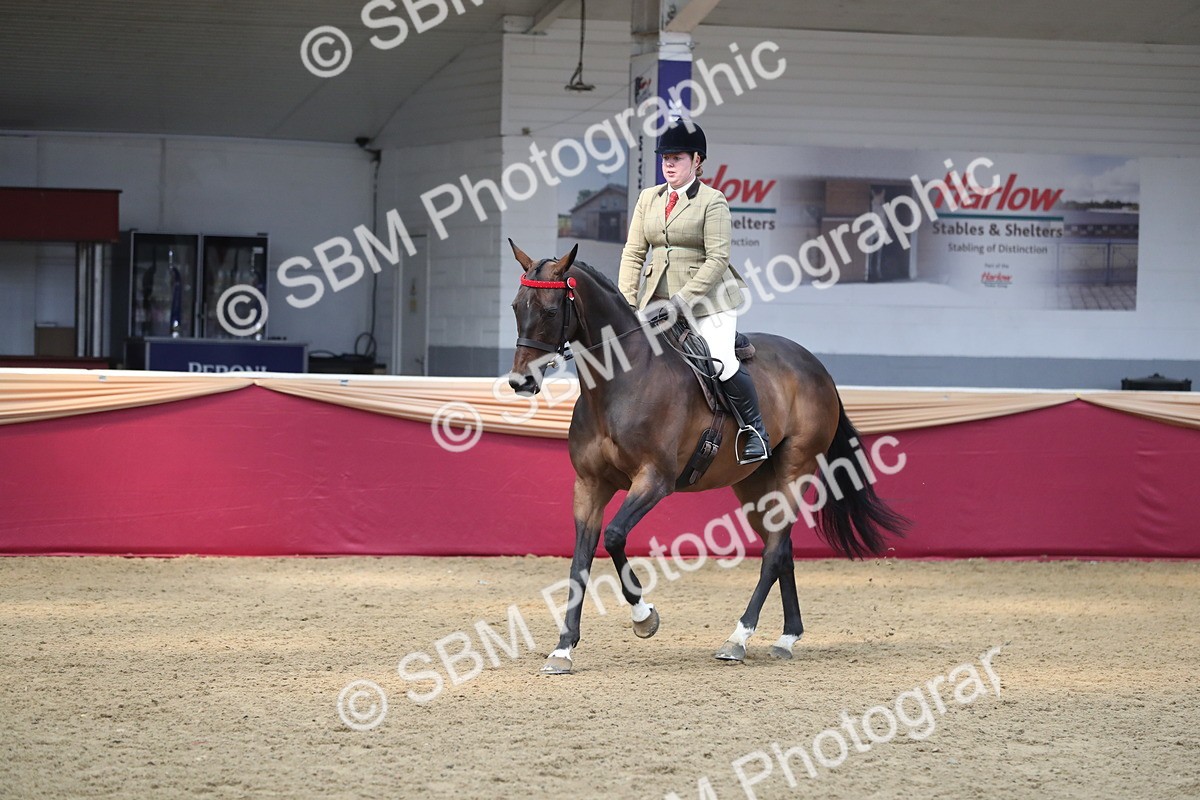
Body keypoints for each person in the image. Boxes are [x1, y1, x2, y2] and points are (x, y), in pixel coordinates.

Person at [617, 119, 770, 464]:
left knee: (720, 360)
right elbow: (634, 252)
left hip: (708, 300)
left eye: (678, 157)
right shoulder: (648, 199)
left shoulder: (713, 201)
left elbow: (718, 259)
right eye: (665, 157)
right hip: (655, 298)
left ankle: (754, 430)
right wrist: (626, 301)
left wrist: (682, 301)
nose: (669, 163)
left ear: (697, 161)